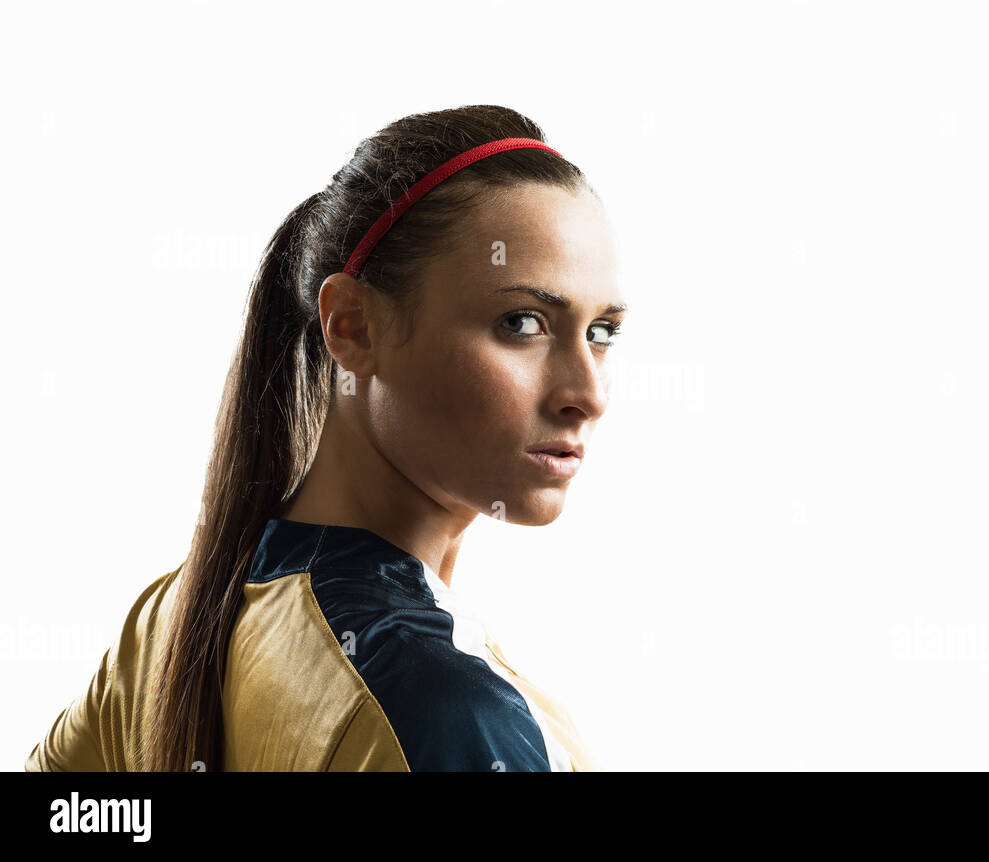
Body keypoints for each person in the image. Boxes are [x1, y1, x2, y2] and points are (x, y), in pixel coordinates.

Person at [24, 105, 626, 771]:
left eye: (602, 331)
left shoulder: (173, 616)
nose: (588, 394)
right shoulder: (444, 711)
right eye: (522, 322)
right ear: (352, 326)